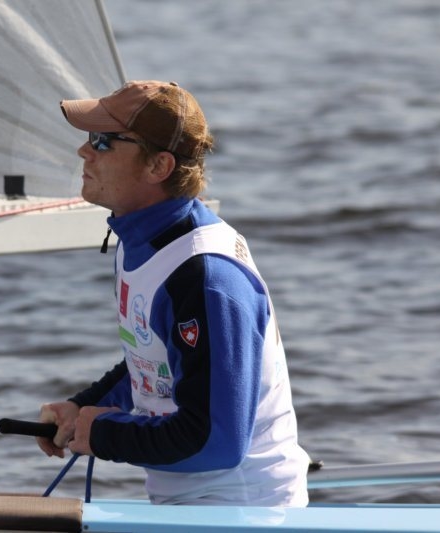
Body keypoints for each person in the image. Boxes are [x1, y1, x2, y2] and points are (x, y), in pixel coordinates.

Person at [37, 80, 309, 507]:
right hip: (192, 503)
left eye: (104, 141)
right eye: (90, 137)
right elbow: (154, 360)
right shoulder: (140, 239)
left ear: (158, 166)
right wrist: (84, 408)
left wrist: (105, 434)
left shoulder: (205, 277)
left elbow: (217, 442)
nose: (84, 151)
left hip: (243, 511)